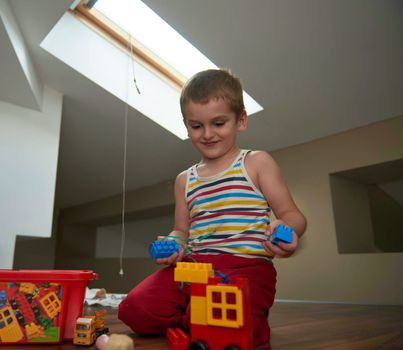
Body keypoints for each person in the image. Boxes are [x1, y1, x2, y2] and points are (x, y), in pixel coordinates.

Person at [118, 69, 307, 347]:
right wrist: (173, 243)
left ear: (240, 120)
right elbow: (181, 231)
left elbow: (293, 215)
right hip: (192, 268)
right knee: (133, 309)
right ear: (186, 125)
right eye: (196, 126)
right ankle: (197, 318)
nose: (207, 134)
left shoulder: (257, 163)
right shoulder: (184, 180)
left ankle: (212, 319)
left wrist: (286, 228)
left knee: (217, 322)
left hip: (246, 268)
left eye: (219, 123)